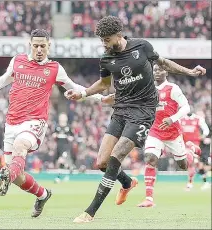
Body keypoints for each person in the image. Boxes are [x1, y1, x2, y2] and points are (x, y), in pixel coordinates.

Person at [65, 16, 206, 223]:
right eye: (101, 41)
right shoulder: (106, 59)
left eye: (106, 40)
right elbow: (104, 84)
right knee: (102, 162)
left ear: (119, 35)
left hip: (144, 111)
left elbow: (164, 63)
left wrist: (189, 72)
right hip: (121, 110)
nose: (104, 44)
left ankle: (90, 212)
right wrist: (83, 93)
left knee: (117, 155)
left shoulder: (142, 46)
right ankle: (127, 183)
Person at [0, 29, 115, 218]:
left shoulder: (55, 69)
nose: (39, 49)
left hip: (35, 121)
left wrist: (101, 99)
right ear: (30, 46)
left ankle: (7, 174)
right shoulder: (17, 61)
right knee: (18, 177)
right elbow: (3, 80)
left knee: (21, 145)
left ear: (49, 45)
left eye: (43, 46)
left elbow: (75, 87)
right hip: (12, 122)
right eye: (36, 46)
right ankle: (42, 194)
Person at [136, 64, 197, 208]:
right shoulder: (148, 88)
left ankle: (191, 151)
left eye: (160, 70)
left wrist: (172, 118)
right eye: (155, 70)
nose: (157, 72)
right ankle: (149, 199)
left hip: (173, 133)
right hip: (155, 131)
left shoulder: (173, 88)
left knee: (183, 165)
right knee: (150, 158)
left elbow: (186, 107)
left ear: (166, 72)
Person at [180, 112, 210, 190]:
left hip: (195, 145)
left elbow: (206, 130)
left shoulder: (198, 119)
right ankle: (205, 182)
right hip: (185, 145)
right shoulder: (181, 119)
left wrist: (203, 136)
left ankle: (190, 184)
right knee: (196, 164)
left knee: (192, 163)